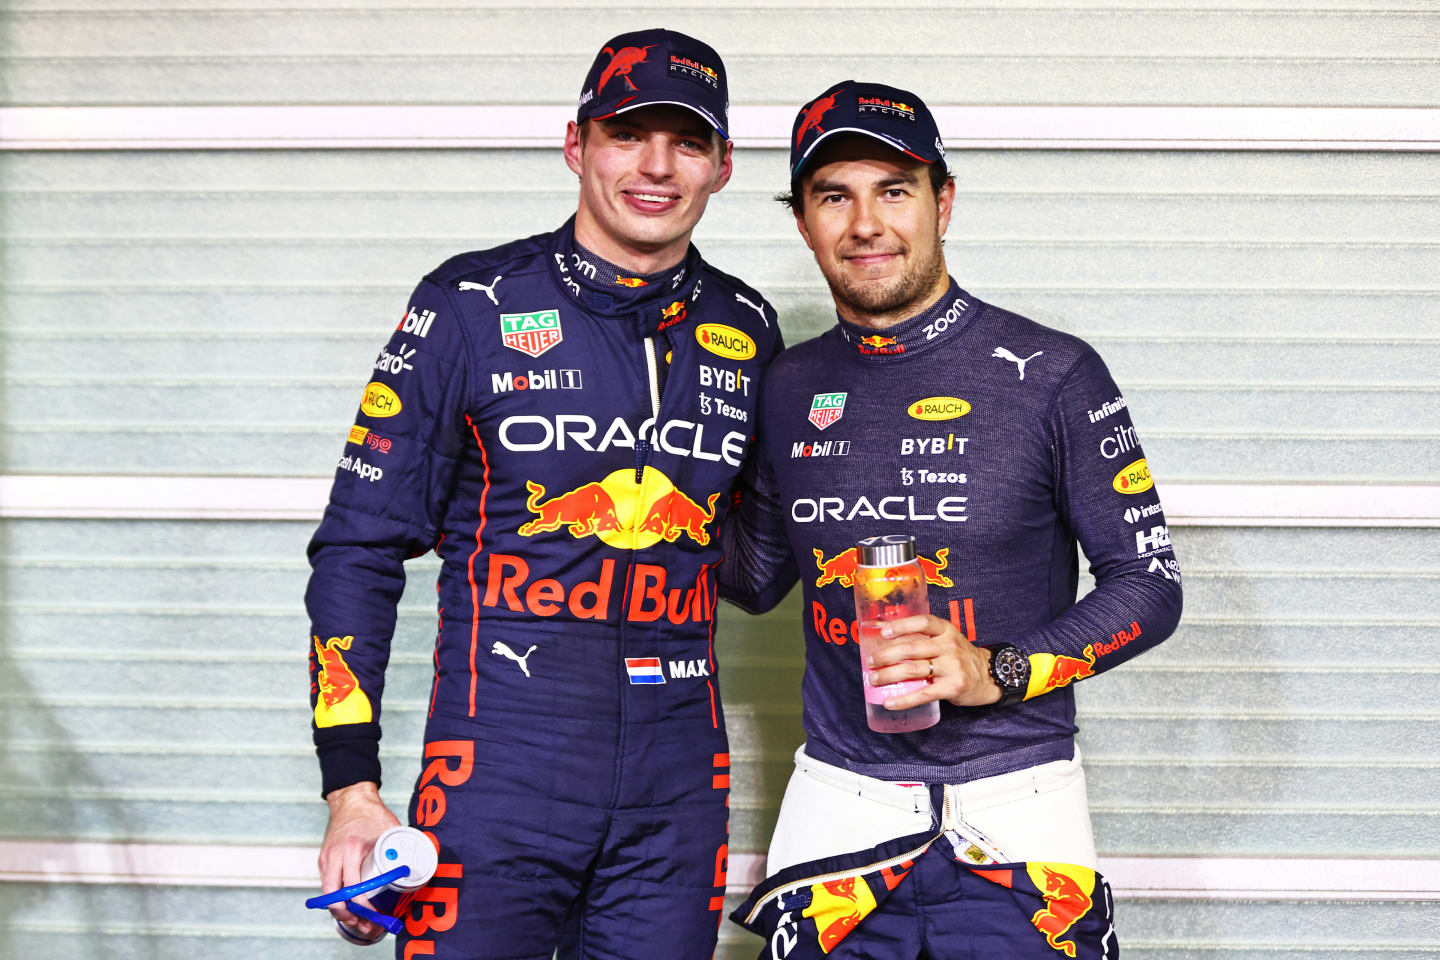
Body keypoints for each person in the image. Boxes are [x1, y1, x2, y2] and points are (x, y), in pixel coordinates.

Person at [305, 29, 784, 960]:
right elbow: (358, 549)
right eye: (625, 134)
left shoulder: (748, 323)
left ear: (723, 166)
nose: (655, 167)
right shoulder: (468, 302)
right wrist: (351, 789)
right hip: (497, 778)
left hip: (678, 794)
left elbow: (755, 576)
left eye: (687, 142)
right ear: (577, 145)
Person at [720, 80, 1183, 959]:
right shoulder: (787, 385)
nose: (865, 223)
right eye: (833, 196)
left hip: (1019, 832)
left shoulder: (1055, 372)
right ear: (803, 221)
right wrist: (634, 463)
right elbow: (751, 576)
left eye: (893, 189)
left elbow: (1150, 586)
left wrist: (997, 669)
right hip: (840, 834)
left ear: (944, 201)